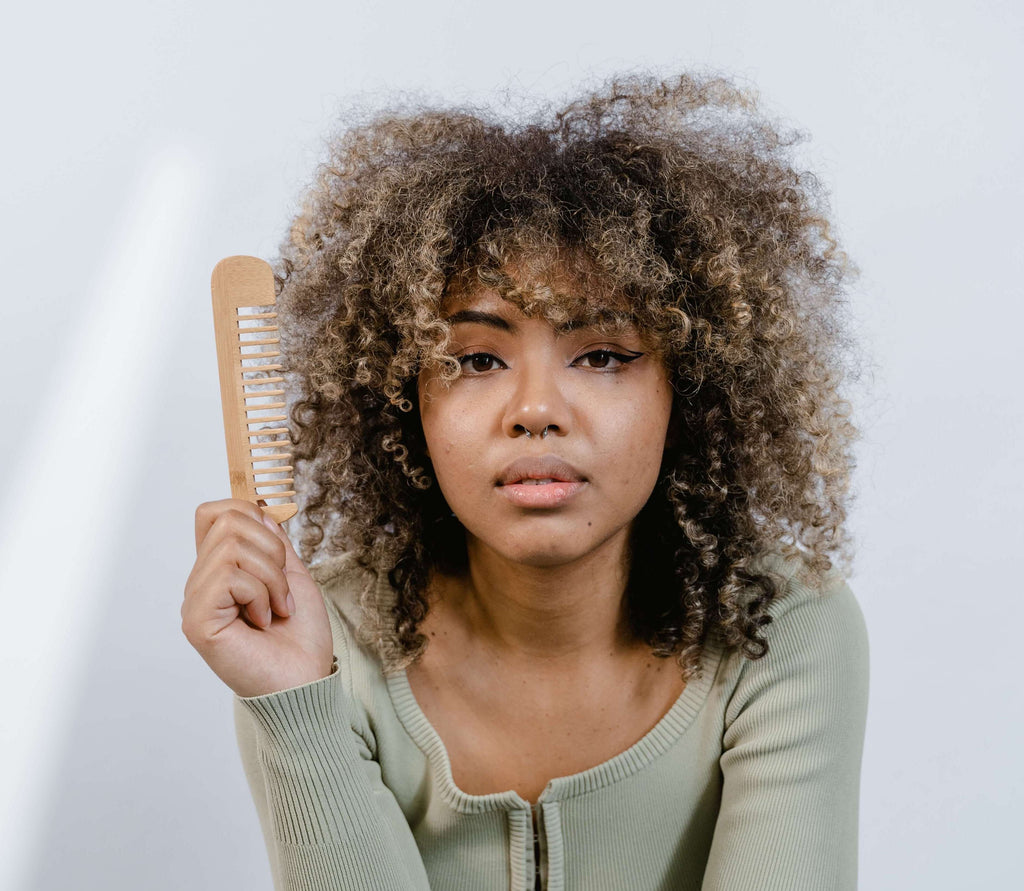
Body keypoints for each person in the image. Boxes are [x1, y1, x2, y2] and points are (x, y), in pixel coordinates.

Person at [182, 72, 869, 891]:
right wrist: (296, 706)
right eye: (476, 358)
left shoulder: (779, 627)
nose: (536, 409)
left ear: (686, 392)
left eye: (604, 355)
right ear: (407, 399)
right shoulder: (319, 641)